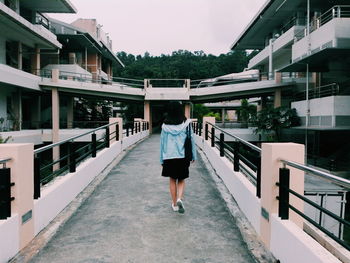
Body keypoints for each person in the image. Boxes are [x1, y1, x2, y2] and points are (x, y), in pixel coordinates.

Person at [160, 101, 197, 214]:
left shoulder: (165, 126)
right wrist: (193, 155)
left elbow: (162, 144)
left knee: (172, 179)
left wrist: (161, 159)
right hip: (183, 156)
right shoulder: (187, 124)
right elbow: (192, 140)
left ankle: (175, 204)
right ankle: (179, 198)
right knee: (181, 179)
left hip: (169, 157)